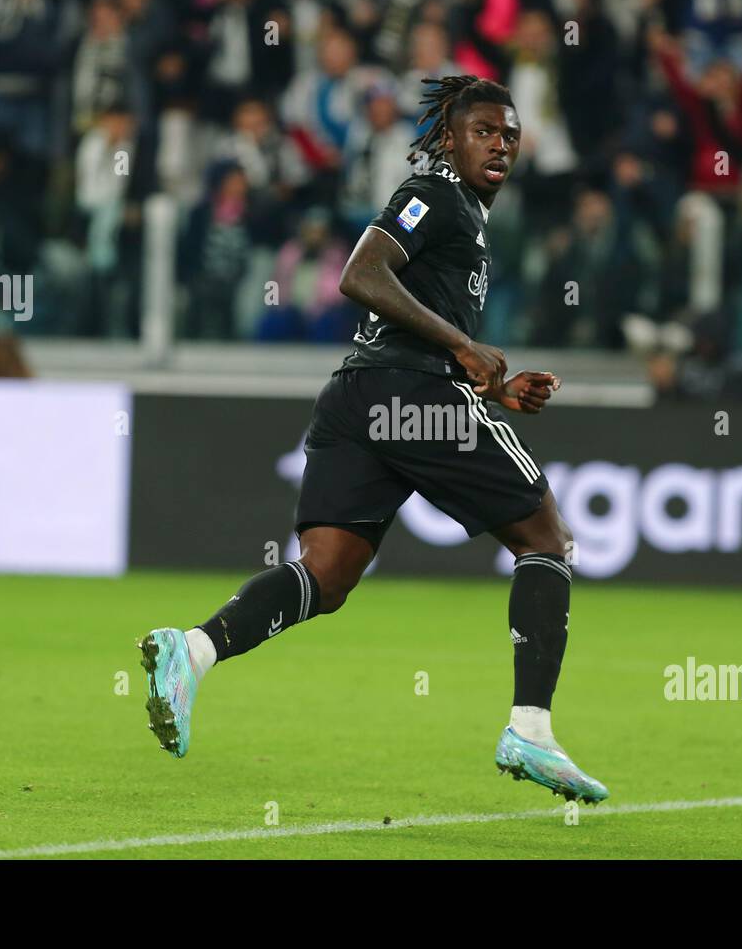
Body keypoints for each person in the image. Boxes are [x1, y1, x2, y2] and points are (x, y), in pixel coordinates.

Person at [138, 75, 608, 804]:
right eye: (485, 131)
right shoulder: (434, 191)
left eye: (510, 136)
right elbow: (361, 273)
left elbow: (412, 320)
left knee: (325, 577)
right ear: (449, 137)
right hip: (410, 396)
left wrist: (494, 382)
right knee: (546, 539)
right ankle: (531, 729)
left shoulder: (466, 219)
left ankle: (191, 651)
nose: (501, 146)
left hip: (362, 399)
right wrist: (461, 348)